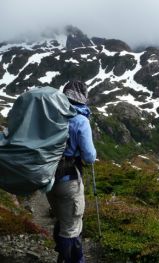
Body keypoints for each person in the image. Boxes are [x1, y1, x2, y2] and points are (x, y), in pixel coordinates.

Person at [47, 80, 97, 263]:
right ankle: (71, 259)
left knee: (63, 220)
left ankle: (69, 256)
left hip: (48, 178)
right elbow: (89, 156)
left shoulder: (52, 114)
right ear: (83, 98)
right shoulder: (80, 120)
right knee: (71, 227)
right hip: (69, 180)